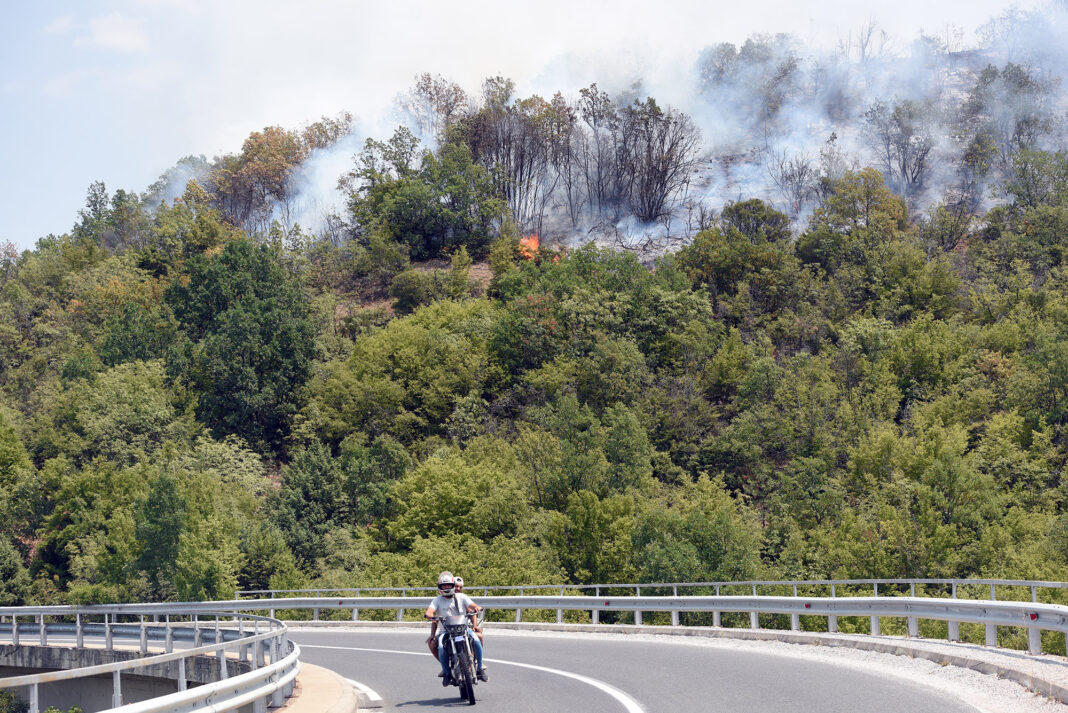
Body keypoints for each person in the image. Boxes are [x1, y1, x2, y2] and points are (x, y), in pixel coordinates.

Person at [425, 571, 488, 685]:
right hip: (446, 631)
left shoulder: (461, 597)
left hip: (463, 629)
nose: (446, 587)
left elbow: (472, 605)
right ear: (440, 587)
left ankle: (479, 667)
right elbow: (430, 611)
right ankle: (446, 672)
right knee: (440, 646)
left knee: (477, 639)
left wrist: (477, 607)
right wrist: (429, 614)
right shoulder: (437, 600)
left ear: (453, 585)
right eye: (444, 586)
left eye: (449, 585)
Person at [454, 576, 484, 644]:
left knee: (479, 636)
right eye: (456, 586)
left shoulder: (463, 599)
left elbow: (472, 612)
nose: (458, 589)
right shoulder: (446, 598)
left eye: (460, 587)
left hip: (462, 629)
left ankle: (478, 654)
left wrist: (475, 626)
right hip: (450, 630)